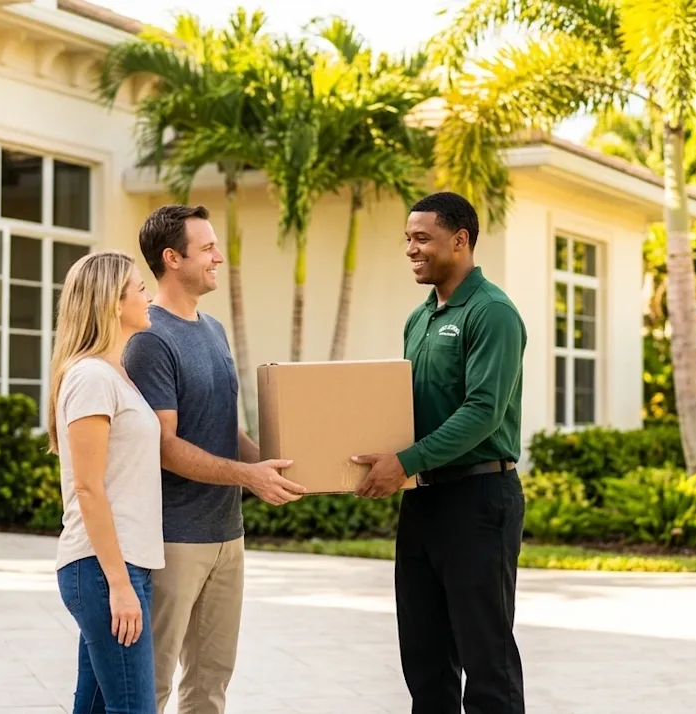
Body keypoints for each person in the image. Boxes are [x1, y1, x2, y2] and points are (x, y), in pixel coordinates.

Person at [122, 204, 307, 714]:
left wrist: (279, 468)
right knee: (152, 685)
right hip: (174, 539)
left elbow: (228, 428)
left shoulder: (214, 329)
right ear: (171, 258)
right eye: (206, 248)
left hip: (228, 535)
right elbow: (163, 445)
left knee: (210, 686)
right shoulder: (149, 338)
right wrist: (248, 476)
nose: (218, 257)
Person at [353, 191, 529, 714]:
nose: (411, 248)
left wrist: (404, 462)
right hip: (424, 502)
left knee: (487, 661)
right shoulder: (420, 319)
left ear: (461, 240)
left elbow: (483, 412)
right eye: (408, 238)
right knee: (425, 661)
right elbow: (409, 410)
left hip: (479, 501)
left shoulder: (492, 313)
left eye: (422, 238)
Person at [48, 249, 164, 714]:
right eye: (139, 289)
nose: (149, 298)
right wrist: (119, 584)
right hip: (103, 567)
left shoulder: (113, 374)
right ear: (113, 303)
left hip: (117, 564)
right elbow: (88, 487)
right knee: (135, 707)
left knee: (95, 707)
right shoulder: (93, 377)